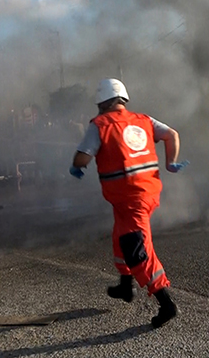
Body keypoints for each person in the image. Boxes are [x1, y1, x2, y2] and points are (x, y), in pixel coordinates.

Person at [70, 78, 188, 328]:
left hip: (130, 199)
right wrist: (170, 163)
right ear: (123, 100)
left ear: (101, 104)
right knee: (119, 237)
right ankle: (126, 286)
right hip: (145, 193)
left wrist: (76, 166)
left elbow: (82, 158)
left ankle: (166, 303)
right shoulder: (144, 120)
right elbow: (172, 135)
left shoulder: (99, 125)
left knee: (138, 251)